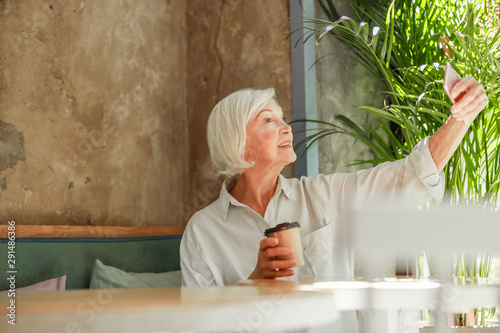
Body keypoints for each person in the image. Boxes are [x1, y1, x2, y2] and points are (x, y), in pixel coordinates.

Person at [180, 78, 487, 331]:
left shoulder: (323, 194)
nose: (286, 128)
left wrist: (461, 116)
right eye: (269, 120)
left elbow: (405, 178)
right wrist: (256, 280)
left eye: (282, 118)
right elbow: (198, 326)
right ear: (238, 143)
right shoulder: (203, 233)